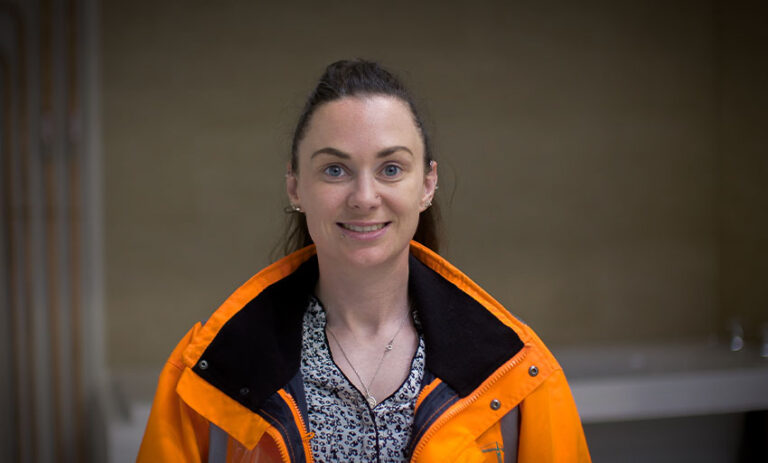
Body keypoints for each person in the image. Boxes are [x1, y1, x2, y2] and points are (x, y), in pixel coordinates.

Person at [138, 59, 591, 462]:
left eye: (391, 169)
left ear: (427, 185)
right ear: (296, 187)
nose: (364, 197)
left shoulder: (517, 369)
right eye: (335, 170)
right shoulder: (209, 371)